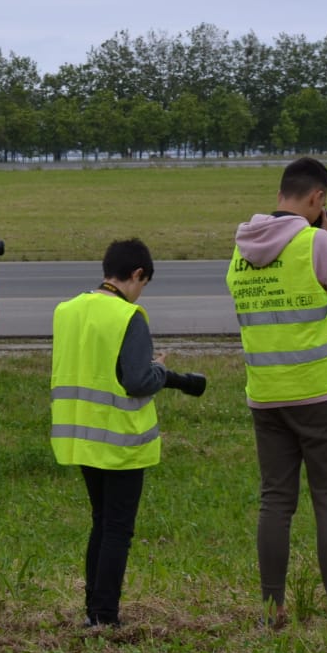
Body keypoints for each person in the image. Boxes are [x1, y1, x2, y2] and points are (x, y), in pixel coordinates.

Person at [226, 157, 327, 627]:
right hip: (322, 392)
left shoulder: (241, 250)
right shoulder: (317, 243)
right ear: (317, 198)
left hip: (266, 394)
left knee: (276, 502)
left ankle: (273, 608)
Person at [51, 238, 205, 629]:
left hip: (80, 436)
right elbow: (137, 380)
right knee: (118, 528)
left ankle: (93, 610)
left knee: (101, 522)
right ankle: (105, 616)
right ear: (137, 275)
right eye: (143, 284)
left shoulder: (67, 310)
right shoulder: (128, 315)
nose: (140, 293)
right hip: (120, 440)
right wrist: (158, 369)